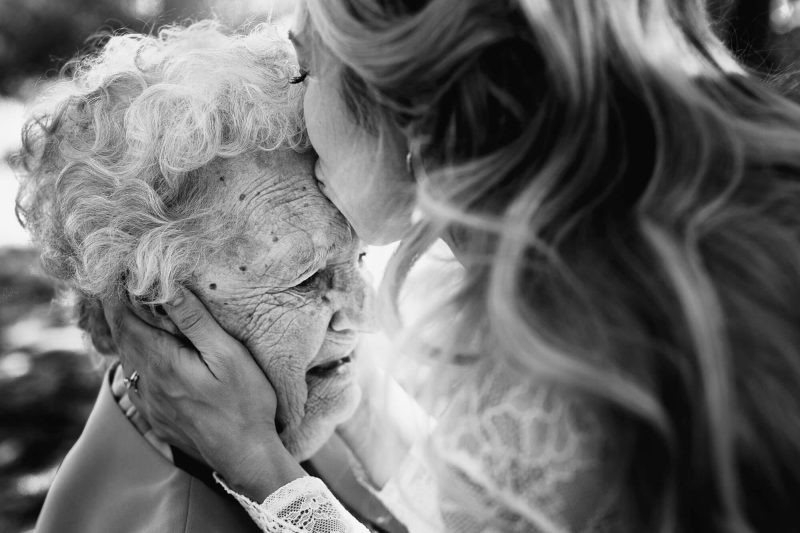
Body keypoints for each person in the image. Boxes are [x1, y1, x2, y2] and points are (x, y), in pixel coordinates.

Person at [103, 0, 800, 532]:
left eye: (306, 68)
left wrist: (263, 469)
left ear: (401, 103)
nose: (301, 110)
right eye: (304, 278)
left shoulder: (547, 379)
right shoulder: (713, 210)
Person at [13, 21, 400, 533]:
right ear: (157, 314)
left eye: (360, 259)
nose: (367, 314)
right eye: (305, 281)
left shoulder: (300, 403)